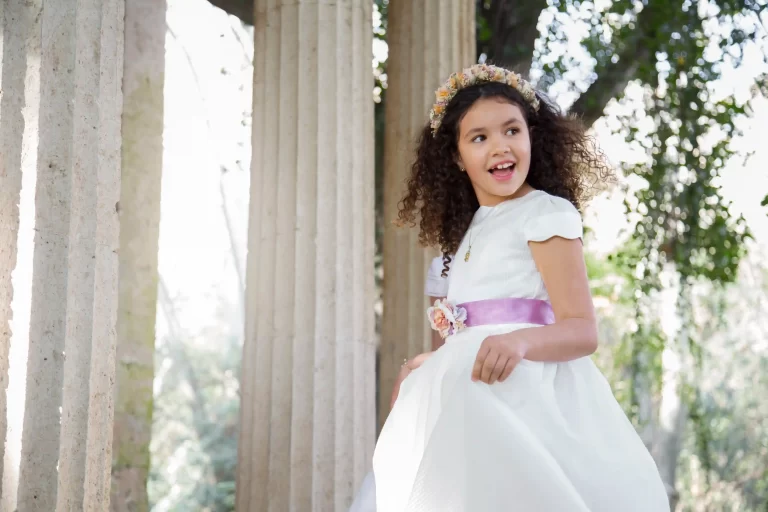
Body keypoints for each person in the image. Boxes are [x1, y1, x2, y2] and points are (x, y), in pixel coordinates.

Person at [369, 64, 670, 512]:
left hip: (527, 399)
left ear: (532, 136)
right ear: (455, 157)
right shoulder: (467, 233)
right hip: (471, 397)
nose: (500, 147)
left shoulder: (545, 214)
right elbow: (469, 330)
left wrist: (520, 340)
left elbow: (582, 330)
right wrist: (430, 362)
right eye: (479, 138)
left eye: (512, 130)